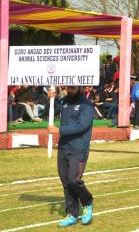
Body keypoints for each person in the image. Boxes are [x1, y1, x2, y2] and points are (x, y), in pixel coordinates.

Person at [47, 86, 94, 227]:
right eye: (68, 87)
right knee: (66, 182)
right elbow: (49, 111)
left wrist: (59, 130)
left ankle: (87, 201)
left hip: (78, 149)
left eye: (73, 87)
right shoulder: (64, 101)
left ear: (79, 87)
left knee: (74, 180)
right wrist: (51, 98)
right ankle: (72, 214)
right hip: (63, 148)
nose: (70, 89)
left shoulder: (86, 105)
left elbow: (82, 126)